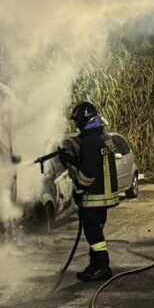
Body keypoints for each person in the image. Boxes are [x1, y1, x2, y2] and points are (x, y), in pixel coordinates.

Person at [59, 101, 119, 282]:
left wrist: (79, 190)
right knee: (95, 231)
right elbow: (92, 164)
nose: (77, 126)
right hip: (105, 194)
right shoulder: (103, 137)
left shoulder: (90, 142)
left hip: (94, 196)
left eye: (78, 122)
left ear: (85, 120)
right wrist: (71, 159)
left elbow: (88, 174)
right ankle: (94, 266)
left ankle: (102, 267)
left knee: (93, 233)